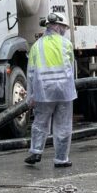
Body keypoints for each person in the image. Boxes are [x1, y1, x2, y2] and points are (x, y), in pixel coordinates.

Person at [24, 12, 77, 167]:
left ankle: (35, 152)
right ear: (59, 26)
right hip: (64, 92)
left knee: (40, 123)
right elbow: (71, 70)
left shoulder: (36, 45)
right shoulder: (66, 44)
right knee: (63, 125)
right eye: (64, 27)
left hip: (44, 91)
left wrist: (30, 96)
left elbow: (31, 73)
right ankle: (61, 159)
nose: (65, 30)